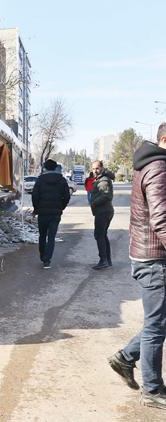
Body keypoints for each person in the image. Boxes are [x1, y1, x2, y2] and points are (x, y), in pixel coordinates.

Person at [108, 123, 166, 409]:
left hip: (148, 255)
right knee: (157, 325)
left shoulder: (149, 164)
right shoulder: (158, 168)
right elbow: (161, 219)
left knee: (159, 321)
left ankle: (126, 358)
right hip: (155, 259)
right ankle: (152, 390)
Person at [31, 159, 71, 269]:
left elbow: (35, 196)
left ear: (45, 168)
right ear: (55, 168)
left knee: (42, 235)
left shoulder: (40, 179)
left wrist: (36, 209)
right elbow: (67, 196)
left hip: (43, 213)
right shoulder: (62, 180)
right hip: (55, 213)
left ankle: (43, 255)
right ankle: (47, 260)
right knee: (52, 237)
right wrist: (61, 207)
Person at [90, 160, 114, 270]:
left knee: (99, 235)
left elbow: (106, 196)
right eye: (93, 168)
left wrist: (94, 203)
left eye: (97, 168)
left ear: (102, 168)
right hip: (103, 211)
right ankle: (107, 260)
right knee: (102, 235)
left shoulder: (103, 180)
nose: (95, 170)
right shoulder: (100, 179)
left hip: (103, 212)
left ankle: (104, 260)